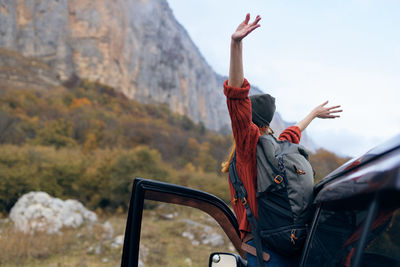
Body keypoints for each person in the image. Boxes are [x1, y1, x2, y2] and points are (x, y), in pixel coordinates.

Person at [221, 14, 343, 266]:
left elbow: (236, 97)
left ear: (249, 122)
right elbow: (292, 132)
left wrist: (236, 45)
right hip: (293, 249)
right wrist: (312, 114)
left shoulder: (248, 148)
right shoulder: (279, 147)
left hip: (261, 251)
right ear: (268, 123)